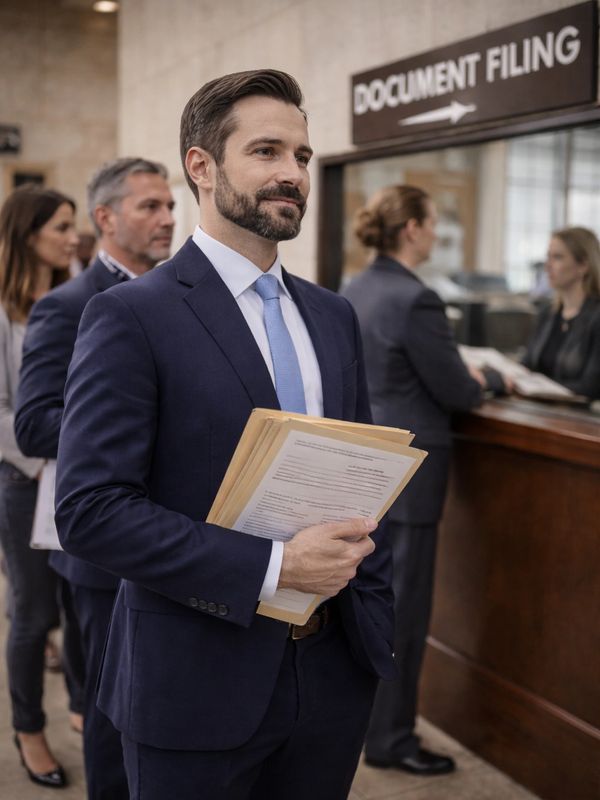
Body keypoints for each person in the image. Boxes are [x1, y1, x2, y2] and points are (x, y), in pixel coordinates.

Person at [54, 69, 395, 800]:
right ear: (201, 167)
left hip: (332, 677)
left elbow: (364, 473)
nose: (292, 174)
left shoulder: (332, 316)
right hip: (193, 682)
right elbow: (89, 510)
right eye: (267, 151)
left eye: (302, 157)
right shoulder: (132, 316)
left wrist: (371, 611)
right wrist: (273, 569)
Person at [15, 158, 175, 800]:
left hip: (178, 535)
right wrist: (141, 426)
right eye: (150, 207)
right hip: (105, 549)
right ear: (105, 218)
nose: (168, 218)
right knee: (111, 714)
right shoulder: (67, 306)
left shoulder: (179, 299)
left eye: (170, 205)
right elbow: (32, 426)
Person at [341, 185, 506, 776]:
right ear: (411, 228)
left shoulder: (356, 288)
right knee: (403, 615)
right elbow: (457, 391)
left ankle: (370, 726)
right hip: (411, 474)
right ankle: (390, 739)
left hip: (368, 465)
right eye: (435, 222)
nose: (438, 233)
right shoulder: (416, 298)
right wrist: (485, 378)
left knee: (372, 604)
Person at [0, 185, 80, 788]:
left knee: (80, 603)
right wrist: (55, 450)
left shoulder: (73, 298)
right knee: (34, 616)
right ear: (29, 235)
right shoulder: (4, 313)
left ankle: (81, 704)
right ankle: (28, 730)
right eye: (60, 226)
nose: (72, 236)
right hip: (26, 480)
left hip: (76, 476)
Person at [523, 226, 600, 400]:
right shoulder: (547, 314)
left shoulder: (597, 317)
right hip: (542, 412)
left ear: (583, 266)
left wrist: (540, 387)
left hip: (582, 421)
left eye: (557, 257)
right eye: (547, 257)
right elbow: (528, 364)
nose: (548, 266)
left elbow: (592, 386)